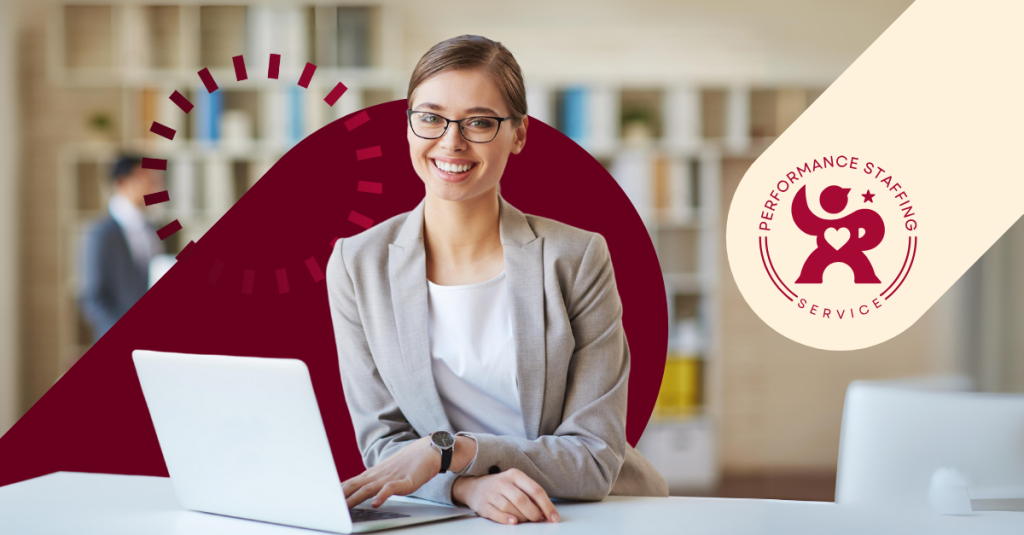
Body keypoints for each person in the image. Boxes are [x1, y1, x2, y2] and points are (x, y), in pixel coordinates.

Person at [325, 35, 668, 526]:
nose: (451, 141)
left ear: (520, 134)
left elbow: (594, 458)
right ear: (407, 127)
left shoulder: (576, 257)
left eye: (480, 122)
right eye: (430, 117)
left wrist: (455, 451)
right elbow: (385, 446)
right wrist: (468, 488)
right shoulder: (358, 264)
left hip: (591, 515)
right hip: (458, 516)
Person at [78, 155, 165, 342]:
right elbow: (93, 299)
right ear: (122, 183)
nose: (153, 186)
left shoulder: (153, 229)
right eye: (146, 179)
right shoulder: (101, 234)